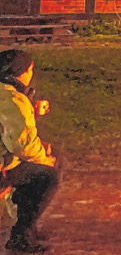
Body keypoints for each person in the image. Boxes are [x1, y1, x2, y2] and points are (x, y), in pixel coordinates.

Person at [0, 49, 60, 254]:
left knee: (40, 157)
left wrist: (32, 109)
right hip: (2, 167)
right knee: (46, 175)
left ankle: (24, 224)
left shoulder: (6, 94)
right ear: (22, 72)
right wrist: (46, 159)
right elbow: (22, 145)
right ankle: (22, 235)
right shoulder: (12, 99)